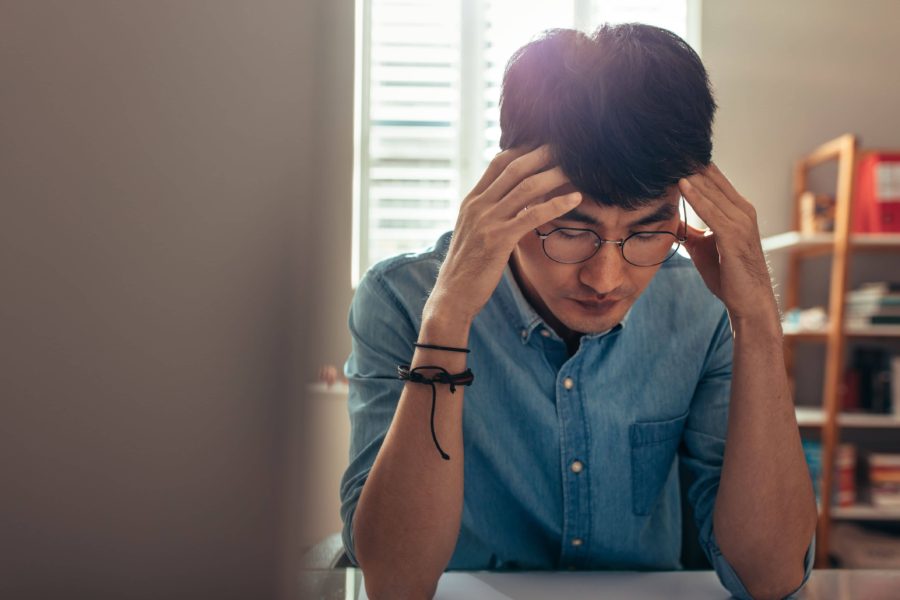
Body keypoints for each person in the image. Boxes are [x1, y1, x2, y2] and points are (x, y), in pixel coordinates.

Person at [340, 24, 817, 600]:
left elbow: (773, 581)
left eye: (647, 233)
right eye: (570, 230)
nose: (606, 280)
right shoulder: (402, 298)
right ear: (507, 192)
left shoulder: (701, 309)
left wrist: (758, 321)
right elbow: (396, 581)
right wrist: (447, 319)